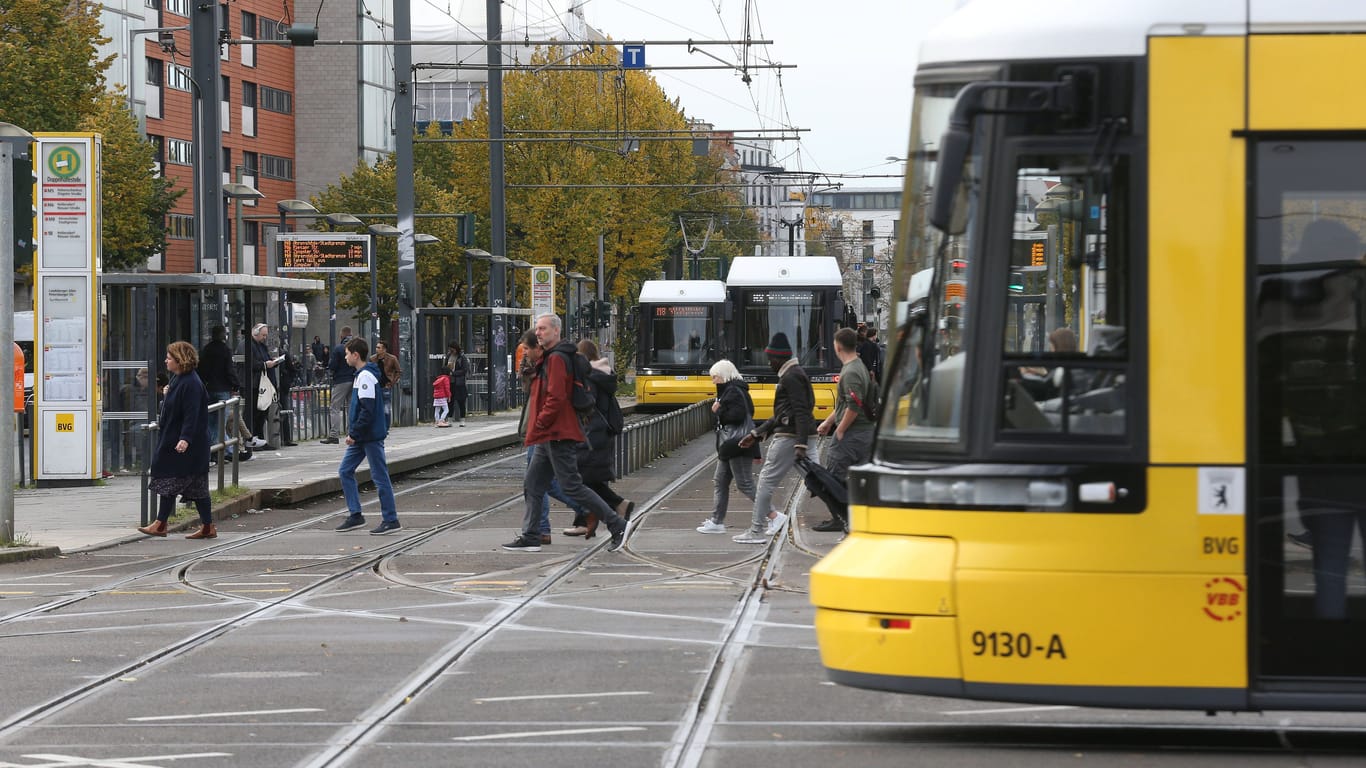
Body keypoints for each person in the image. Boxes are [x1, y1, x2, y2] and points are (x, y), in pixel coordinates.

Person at [505, 313, 628, 553]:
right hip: (548, 434)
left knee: (571, 485)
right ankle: (531, 535)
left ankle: (618, 524)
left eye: (543, 329)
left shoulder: (558, 358)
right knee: (533, 484)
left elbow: (557, 396)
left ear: (556, 331)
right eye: (537, 329)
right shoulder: (551, 357)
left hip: (557, 433)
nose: (538, 333)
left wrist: (540, 423)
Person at [734, 332, 814, 544]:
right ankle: (844, 515)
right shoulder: (795, 373)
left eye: (770, 359)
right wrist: (757, 433)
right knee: (818, 480)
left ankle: (756, 530)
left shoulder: (791, 377)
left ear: (779, 358)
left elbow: (801, 410)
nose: (769, 363)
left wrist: (800, 443)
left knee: (766, 482)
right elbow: (786, 412)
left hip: (789, 438)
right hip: (797, 436)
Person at [137, 342, 216, 540]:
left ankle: (161, 524)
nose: (166, 361)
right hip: (179, 442)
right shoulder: (180, 379)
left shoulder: (191, 383)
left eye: (169, 358)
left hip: (186, 446)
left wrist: (185, 439)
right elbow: (173, 408)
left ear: (180, 361)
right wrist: (167, 395)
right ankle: (205, 527)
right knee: (189, 485)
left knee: (174, 480)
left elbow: (192, 414)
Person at [517, 331, 582, 544]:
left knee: (541, 482)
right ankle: (540, 530)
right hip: (538, 429)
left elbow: (553, 398)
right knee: (538, 482)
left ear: (538, 347)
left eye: (526, 348)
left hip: (544, 431)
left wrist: (540, 424)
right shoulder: (537, 365)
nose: (524, 353)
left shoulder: (551, 363)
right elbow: (531, 394)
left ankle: (585, 509)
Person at [333, 337, 402, 535]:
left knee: (379, 477)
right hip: (363, 436)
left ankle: (391, 519)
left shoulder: (365, 377)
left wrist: (354, 433)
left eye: (347, 353)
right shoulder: (362, 375)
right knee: (345, 471)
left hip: (369, 436)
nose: (345, 357)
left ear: (355, 355)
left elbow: (367, 409)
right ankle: (356, 514)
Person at [812, 327, 876, 532]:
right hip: (863, 432)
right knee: (860, 478)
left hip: (853, 433)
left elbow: (853, 405)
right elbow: (845, 402)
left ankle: (840, 517)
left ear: (837, 346)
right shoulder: (857, 366)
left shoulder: (851, 372)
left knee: (833, 476)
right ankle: (856, 517)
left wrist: (840, 429)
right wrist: (829, 421)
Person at [571, 338, 634, 537]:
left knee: (580, 479)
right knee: (591, 477)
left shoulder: (590, 377)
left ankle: (616, 505)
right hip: (603, 434)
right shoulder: (605, 375)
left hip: (592, 434)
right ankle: (589, 519)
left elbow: (587, 407)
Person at [698, 359, 758, 534]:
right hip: (730, 445)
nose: (713, 381)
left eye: (715, 377)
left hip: (736, 444)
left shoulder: (733, 391)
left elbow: (738, 416)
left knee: (745, 483)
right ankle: (717, 521)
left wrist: (718, 410)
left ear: (723, 375)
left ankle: (773, 515)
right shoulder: (735, 390)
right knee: (720, 481)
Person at [198, 325, 251, 460]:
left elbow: (202, 370)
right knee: (222, 421)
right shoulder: (225, 350)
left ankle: (217, 449)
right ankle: (225, 451)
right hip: (222, 389)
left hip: (209, 389)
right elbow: (229, 369)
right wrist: (235, 384)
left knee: (211, 422)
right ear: (222, 335)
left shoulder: (206, 350)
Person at [245, 323, 284, 450]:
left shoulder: (261, 346)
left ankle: (260, 439)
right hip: (256, 384)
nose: (265, 338)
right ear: (255, 333)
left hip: (264, 383)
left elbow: (263, 360)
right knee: (256, 413)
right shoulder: (249, 346)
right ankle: (254, 440)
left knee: (262, 414)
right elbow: (252, 364)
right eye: (263, 335)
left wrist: (273, 361)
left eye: (266, 335)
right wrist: (265, 365)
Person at [322, 326, 355, 444]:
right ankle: (351, 433)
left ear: (342, 336)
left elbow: (332, 365)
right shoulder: (357, 347)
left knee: (335, 407)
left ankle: (334, 435)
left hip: (341, 380)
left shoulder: (339, 348)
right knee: (351, 407)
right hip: (355, 379)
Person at [371, 340, 401, 418]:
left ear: (384, 349)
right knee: (376, 407)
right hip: (375, 386)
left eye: (378, 347)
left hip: (386, 386)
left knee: (386, 408)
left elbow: (398, 371)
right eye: (376, 347)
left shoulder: (392, 358)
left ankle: (386, 427)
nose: (376, 349)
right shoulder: (373, 359)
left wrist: (392, 383)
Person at [445, 342, 469, 427]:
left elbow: (464, 369)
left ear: (456, 349)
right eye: (450, 349)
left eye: (452, 349)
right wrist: (446, 370)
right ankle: (449, 419)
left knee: (461, 402)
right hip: (450, 382)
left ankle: (462, 420)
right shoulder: (448, 356)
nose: (451, 351)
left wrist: (454, 373)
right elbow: (445, 366)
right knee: (450, 402)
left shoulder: (462, 357)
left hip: (459, 382)